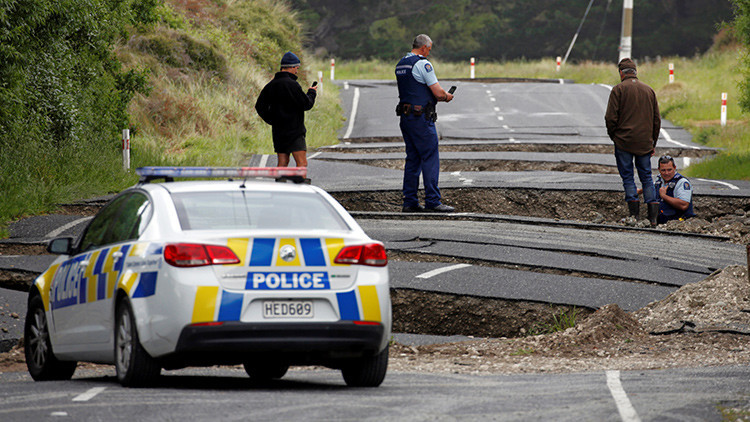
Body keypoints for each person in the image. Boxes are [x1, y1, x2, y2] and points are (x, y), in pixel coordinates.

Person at [395, 34, 454, 213]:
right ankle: (433, 201)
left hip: (406, 117)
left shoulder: (401, 64)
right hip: (421, 118)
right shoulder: (423, 64)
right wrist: (446, 96)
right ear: (424, 47)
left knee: (412, 158)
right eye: (429, 49)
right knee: (429, 157)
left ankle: (410, 201)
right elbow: (437, 92)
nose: (429, 52)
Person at [605, 57, 661, 226]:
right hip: (645, 143)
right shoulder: (649, 91)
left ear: (621, 73)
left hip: (624, 142)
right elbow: (656, 120)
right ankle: (653, 218)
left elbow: (610, 118)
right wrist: (653, 143)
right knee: (646, 177)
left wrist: (614, 136)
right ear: (635, 72)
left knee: (628, 177)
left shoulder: (618, 90)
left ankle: (634, 216)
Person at [255, 51, 317, 167]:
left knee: (283, 163)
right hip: (295, 131)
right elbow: (306, 104)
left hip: (279, 131)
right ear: (292, 67)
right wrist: (312, 92)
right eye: (296, 68)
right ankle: (299, 184)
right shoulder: (293, 85)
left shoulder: (271, 85)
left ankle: (280, 183)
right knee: (302, 163)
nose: (297, 71)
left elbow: (259, 106)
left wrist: (272, 120)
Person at [653, 155, 695, 224]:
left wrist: (664, 196)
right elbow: (652, 187)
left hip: (680, 224)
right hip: (662, 223)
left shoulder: (682, 182)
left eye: (669, 170)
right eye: (663, 170)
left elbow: (684, 205)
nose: (666, 173)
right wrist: (640, 191)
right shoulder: (659, 180)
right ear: (659, 170)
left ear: (674, 168)